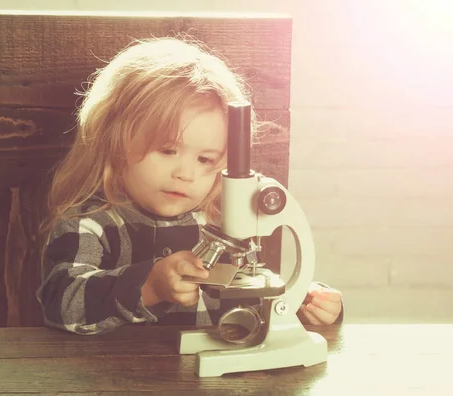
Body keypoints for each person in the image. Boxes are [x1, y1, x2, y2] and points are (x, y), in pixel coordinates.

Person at [36, 37, 343, 335]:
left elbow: (255, 301)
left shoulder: (224, 223)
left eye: (205, 159)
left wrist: (304, 303)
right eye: (168, 151)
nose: (186, 174)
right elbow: (61, 303)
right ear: (112, 140)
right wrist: (149, 286)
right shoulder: (89, 224)